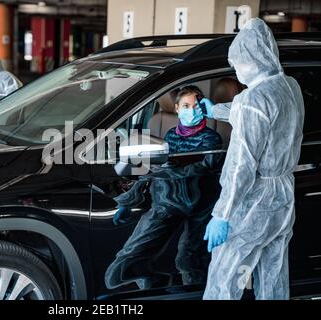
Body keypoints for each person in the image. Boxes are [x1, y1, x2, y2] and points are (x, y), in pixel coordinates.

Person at [200, 18, 305, 300]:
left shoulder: (253, 100)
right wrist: (215, 111)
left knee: (226, 277)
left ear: (251, 58)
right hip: (283, 195)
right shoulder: (288, 87)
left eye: (237, 63)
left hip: (254, 203)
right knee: (273, 277)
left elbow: (240, 166)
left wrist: (222, 214)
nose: (236, 69)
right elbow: (261, 115)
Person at [105, 86, 223, 290]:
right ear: (177, 108)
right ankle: (153, 286)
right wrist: (128, 202)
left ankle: (193, 293)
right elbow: (154, 170)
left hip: (200, 204)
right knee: (129, 257)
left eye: (196, 106)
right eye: (186, 106)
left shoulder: (211, 139)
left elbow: (199, 169)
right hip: (167, 201)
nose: (192, 111)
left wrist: (167, 169)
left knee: (189, 258)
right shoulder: (170, 135)